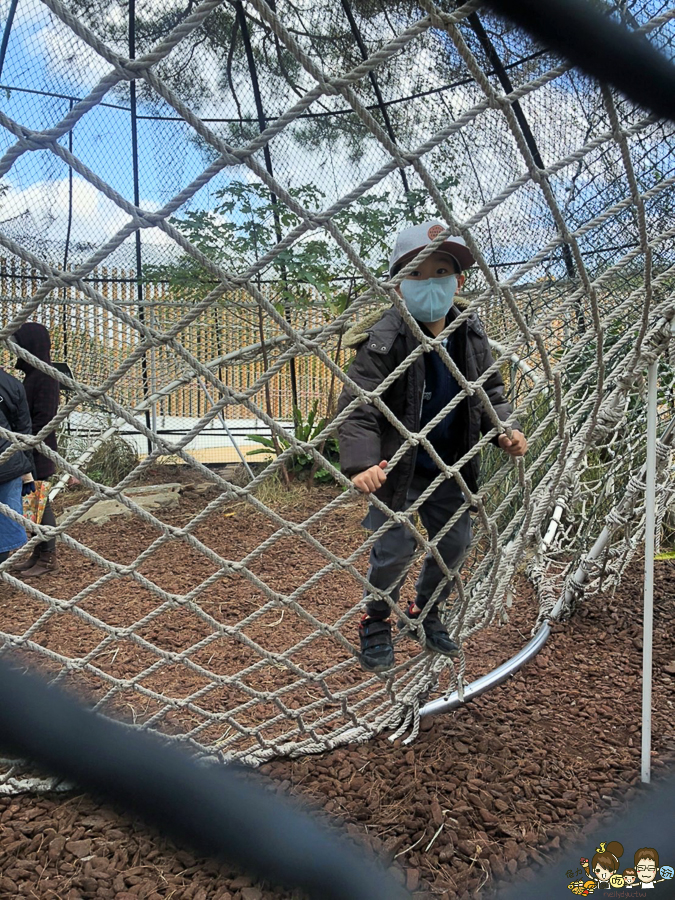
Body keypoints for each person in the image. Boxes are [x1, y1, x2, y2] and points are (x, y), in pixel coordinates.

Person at [337, 221, 527, 672]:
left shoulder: (469, 335)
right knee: (395, 549)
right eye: (417, 274)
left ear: (458, 281)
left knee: (455, 544)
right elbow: (357, 405)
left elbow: (490, 393)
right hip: (397, 467)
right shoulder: (386, 339)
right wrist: (361, 462)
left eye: (441, 271)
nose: (429, 283)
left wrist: (505, 428)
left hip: (451, 466)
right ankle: (376, 617)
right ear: (400, 286)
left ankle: (427, 611)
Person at [11, 322, 60, 578]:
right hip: (27, 449)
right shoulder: (32, 375)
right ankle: (38, 553)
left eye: (19, 345)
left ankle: (49, 557)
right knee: (32, 504)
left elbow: (44, 418)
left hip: (38, 451)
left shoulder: (46, 375)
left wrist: (26, 442)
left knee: (40, 502)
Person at [0, 366, 34, 565]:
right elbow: (23, 431)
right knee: (4, 526)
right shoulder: (12, 384)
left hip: (8, 463)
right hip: (9, 462)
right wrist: (27, 469)